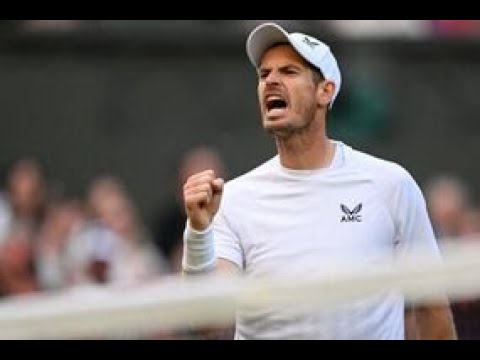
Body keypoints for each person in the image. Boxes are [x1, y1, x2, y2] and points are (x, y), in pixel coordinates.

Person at [181, 22, 456, 340]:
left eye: (289, 71)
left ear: (326, 91)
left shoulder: (391, 184)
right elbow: (207, 323)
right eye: (264, 74)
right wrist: (199, 232)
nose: (271, 80)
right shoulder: (233, 199)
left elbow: (432, 309)